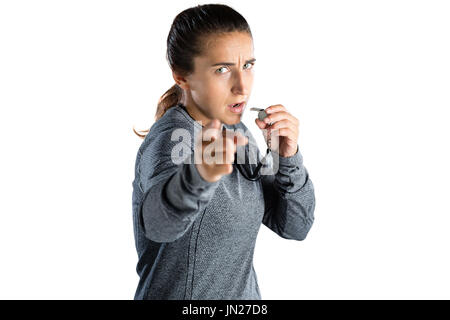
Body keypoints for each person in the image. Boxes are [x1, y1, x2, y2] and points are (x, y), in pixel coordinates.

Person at [131, 4, 316, 300]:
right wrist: (198, 177)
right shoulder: (171, 139)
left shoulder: (237, 131)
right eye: (222, 69)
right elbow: (158, 225)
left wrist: (288, 159)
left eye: (248, 65)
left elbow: (294, 226)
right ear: (182, 75)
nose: (242, 87)